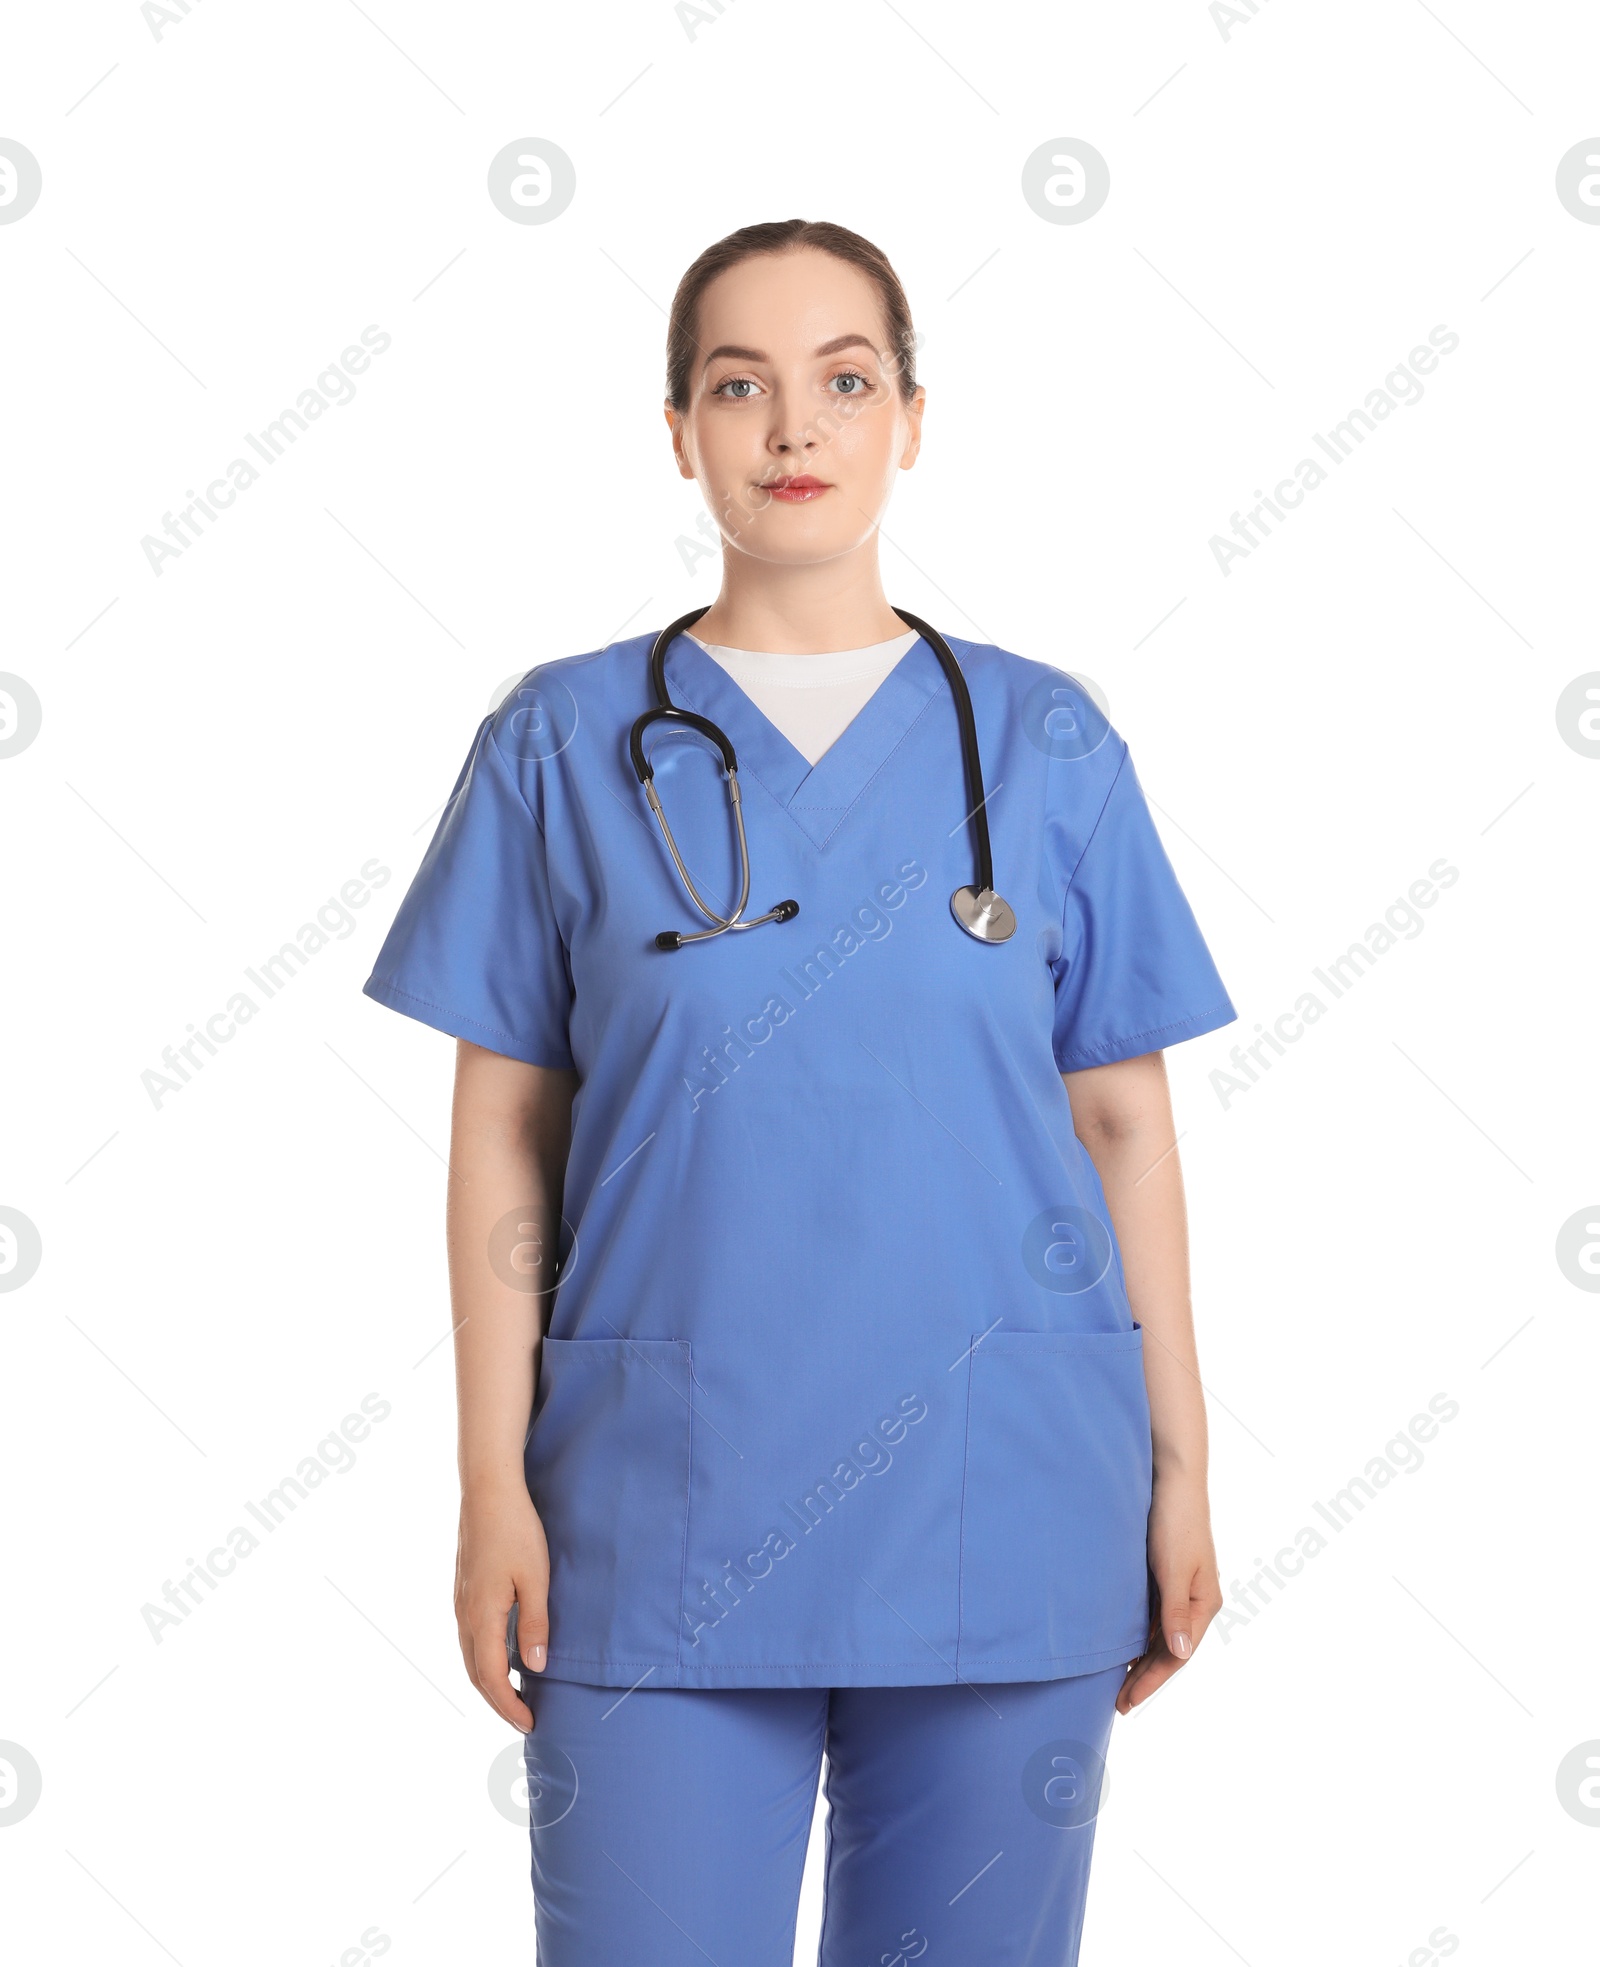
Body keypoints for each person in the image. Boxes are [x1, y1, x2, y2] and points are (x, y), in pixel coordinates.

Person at [362, 218, 1237, 1966]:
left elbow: (1126, 1127)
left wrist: (1185, 1469)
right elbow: (502, 1148)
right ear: (676, 428)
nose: (792, 427)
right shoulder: (562, 740)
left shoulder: (1045, 739)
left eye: (844, 381)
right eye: (737, 384)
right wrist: (485, 1483)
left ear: (913, 418)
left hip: (1010, 1499)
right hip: (653, 1508)